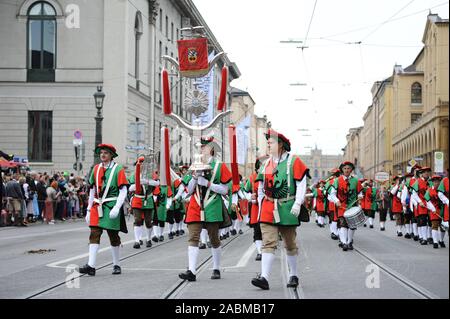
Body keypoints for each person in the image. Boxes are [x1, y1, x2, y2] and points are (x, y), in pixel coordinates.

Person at [251, 129, 309, 290]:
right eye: (268, 142)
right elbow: (262, 186)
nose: (268, 145)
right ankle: (264, 277)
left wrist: (298, 203)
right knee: (268, 242)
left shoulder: (294, 162)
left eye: (271, 142)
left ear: (281, 145)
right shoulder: (268, 163)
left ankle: (293, 274)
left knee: (290, 244)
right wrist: (262, 206)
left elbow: (301, 184)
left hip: (287, 207)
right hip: (269, 208)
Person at [178, 136, 232, 282]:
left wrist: (207, 184)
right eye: (200, 146)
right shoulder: (195, 165)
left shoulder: (220, 166)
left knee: (214, 239)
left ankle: (216, 268)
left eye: (205, 146)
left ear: (212, 148)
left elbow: (225, 190)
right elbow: (188, 191)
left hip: (212, 205)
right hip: (195, 205)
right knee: (193, 237)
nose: (201, 149)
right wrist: (195, 179)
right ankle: (191, 270)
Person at [78, 144, 129, 276]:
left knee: (113, 236)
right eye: (101, 153)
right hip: (97, 206)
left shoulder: (118, 169)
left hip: (111, 205)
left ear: (111, 155)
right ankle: (91, 265)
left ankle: (116, 264)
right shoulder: (96, 168)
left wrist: (117, 208)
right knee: (94, 233)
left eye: (106, 153)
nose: (103, 155)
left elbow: (123, 190)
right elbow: (92, 190)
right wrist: (88, 209)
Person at [328, 161, 363, 251]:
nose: (347, 170)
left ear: (351, 170)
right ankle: (344, 242)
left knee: (352, 225)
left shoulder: (356, 181)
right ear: (342, 170)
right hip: (341, 206)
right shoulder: (337, 180)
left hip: (353, 206)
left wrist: (360, 197)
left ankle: (349, 241)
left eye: (348, 168)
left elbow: (360, 192)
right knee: (342, 224)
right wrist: (336, 201)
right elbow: (332, 194)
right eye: (345, 168)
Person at [129, 156, 159, 249]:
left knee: (148, 221)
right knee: (137, 220)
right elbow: (130, 188)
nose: (142, 165)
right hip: (137, 199)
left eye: (143, 163)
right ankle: (137, 240)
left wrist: (146, 181)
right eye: (140, 163)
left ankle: (149, 239)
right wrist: (137, 184)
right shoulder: (134, 175)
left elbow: (158, 183)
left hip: (148, 199)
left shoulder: (151, 175)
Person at [425, 175, 445, 248]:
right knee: (435, 225)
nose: (437, 183)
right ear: (432, 182)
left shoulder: (442, 190)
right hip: (434, 210)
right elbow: (427, 201)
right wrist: (432, 208)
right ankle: (435, 242)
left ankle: (441, 240)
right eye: (435, 182)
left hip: (442, 210)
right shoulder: (429, 190)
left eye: (438, 181)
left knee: (443, 226)